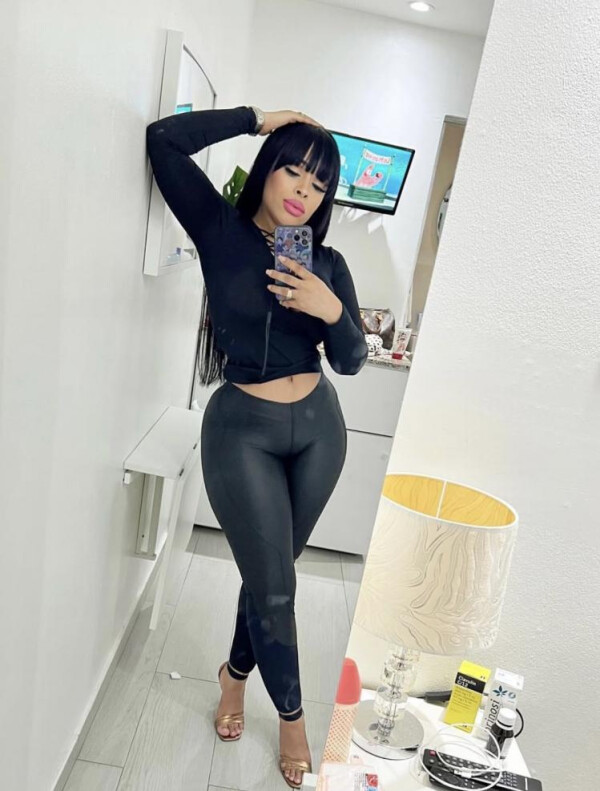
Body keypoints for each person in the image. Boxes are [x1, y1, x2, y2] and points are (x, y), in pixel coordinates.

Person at [146, 105, 368, 788]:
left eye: (319, 184)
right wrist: (255, 118)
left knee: (272, 577)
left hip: (321, 432)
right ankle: (295, 722)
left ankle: (235, 674)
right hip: (242, 431)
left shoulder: (327, 263)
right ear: (268, 168)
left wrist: (330, 309)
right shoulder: (220, 231)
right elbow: (163, 141)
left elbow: (351, 359)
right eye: (294, 170)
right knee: (275, 588)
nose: (304, 190)